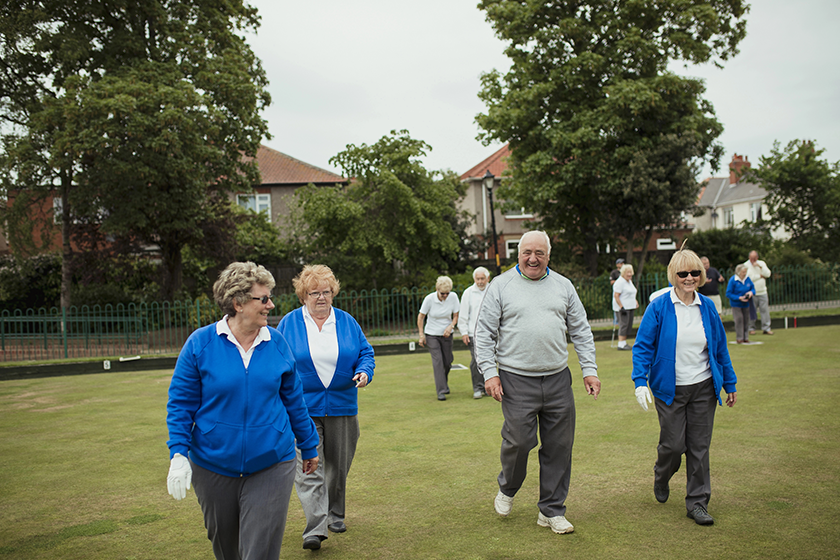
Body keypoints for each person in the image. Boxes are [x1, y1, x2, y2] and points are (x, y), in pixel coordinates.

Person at [166, 262, 319, 560]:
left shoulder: (277, 342)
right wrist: (178, 454)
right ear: (238, 303)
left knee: (260, 550)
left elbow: (294, 400)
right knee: (226, 546)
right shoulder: (200, 343)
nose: (271, 305)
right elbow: (181, 403)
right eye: (263, 299)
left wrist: (309, 444)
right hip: (212, 465)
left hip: (273, 462)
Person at [474, 230, 600, 535]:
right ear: (518, 254)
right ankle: (508, 488)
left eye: (539, 253)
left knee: (559, 446)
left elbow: (581, 330)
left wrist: (589, 369)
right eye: (527, 252)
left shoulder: (563, 286)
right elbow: (484, 333)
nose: (533, 258)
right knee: (518, 441)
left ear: (548, 255)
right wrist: (490, 373)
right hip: (516, 379)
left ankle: (552, 510)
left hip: (558, 378)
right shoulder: (501, 286)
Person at [631, 249, 737, 526]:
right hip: (670, 389)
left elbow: (720, 349)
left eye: (695, 273)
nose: (689, 278)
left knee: (699, 447)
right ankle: (662, 474)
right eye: (683, 273)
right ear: (674, 276)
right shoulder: (659, 307)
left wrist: (730, 382)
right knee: (673, 445)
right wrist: (640, 381)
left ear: (701, 276)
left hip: (703, 387)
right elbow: (642, 347)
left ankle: (697, 503)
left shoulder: (708, 307)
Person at [277, 265, 375, 551]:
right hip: (302, 408)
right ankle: (315, 527)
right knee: (309, 467)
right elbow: (278, 359)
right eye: (314, 293)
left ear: (333, 293)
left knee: (338, 465)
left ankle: (336, 514)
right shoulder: (289, 324)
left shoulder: (346, 322)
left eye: (326, 292)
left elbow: (365, 353)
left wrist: (365, 371)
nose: (321, 298)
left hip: (343, 405)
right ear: (303, 295)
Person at [418, 276, 460, 400]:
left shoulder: (453, 297)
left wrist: (451, 326)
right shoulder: (429, 299)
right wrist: (421, 335)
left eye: (447, 293)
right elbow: (421, 317)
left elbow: (456, 316)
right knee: (438, 361)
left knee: (447, 361)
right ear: (437, 289)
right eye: (442, 293)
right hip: (432, 334)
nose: (445, 296)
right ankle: (441, 391)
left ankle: (443, 383)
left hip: (447, 334)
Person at [457, 267, 491, 399]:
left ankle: (488, 387)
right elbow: (463, 314)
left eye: (482, 279)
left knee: (490, 360)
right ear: (474, 279)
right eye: (478, 279)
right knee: (476, 360)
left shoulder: (492, 291)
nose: (480, 281)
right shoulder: (468, 293)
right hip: (473, 333)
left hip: (491, 333)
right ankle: (478, 388)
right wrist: (464, 332)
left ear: (488, 278)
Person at [744, 251, 773, 335]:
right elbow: (748, 278)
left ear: (757, 257)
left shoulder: (762, 263)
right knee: (751, 311)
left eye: (754, 258)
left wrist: (760, 267)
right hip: (752, 292)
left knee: (765, 311)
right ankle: (751, 328)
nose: (752, 260)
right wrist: (760, 276)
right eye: (751, 258)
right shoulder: (746, 265)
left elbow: (767, 274)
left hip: (762, 291)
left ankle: (766, 328)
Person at [726, 264, 755, 344]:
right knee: (739, 320)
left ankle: (746, 337)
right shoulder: (733, 280)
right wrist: (739, 298)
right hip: (736, 304)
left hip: (746, 304)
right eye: (743, 272)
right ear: (738, 272)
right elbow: (728, 294)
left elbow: (753, 289)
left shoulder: (747, 279)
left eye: (745, 271)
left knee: (746, 320)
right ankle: (739, 338)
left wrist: (751, 293)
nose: (744, 273)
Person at [612, 263, 638, 351]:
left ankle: (624, 342)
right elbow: (616, 295)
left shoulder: (629, 281)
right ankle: (621, 344)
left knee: (628, 325)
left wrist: (635, 302)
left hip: (630, 307)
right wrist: (621, 306)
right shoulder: (620, 282)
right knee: (623, 325)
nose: (630, 274)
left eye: (630, 272)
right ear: (623, 273)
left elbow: (631, 293)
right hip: (623, 308)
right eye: (628, 272)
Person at [610, 258, 625, 325]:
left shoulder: (624, 272)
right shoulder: (614, 273)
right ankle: (616, 322)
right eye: (620, 263)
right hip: (617, 291)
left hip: (624, 292)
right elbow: (612, 282)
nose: (622, 264)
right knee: (617, 306)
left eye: (622, 263)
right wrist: (620, 282)